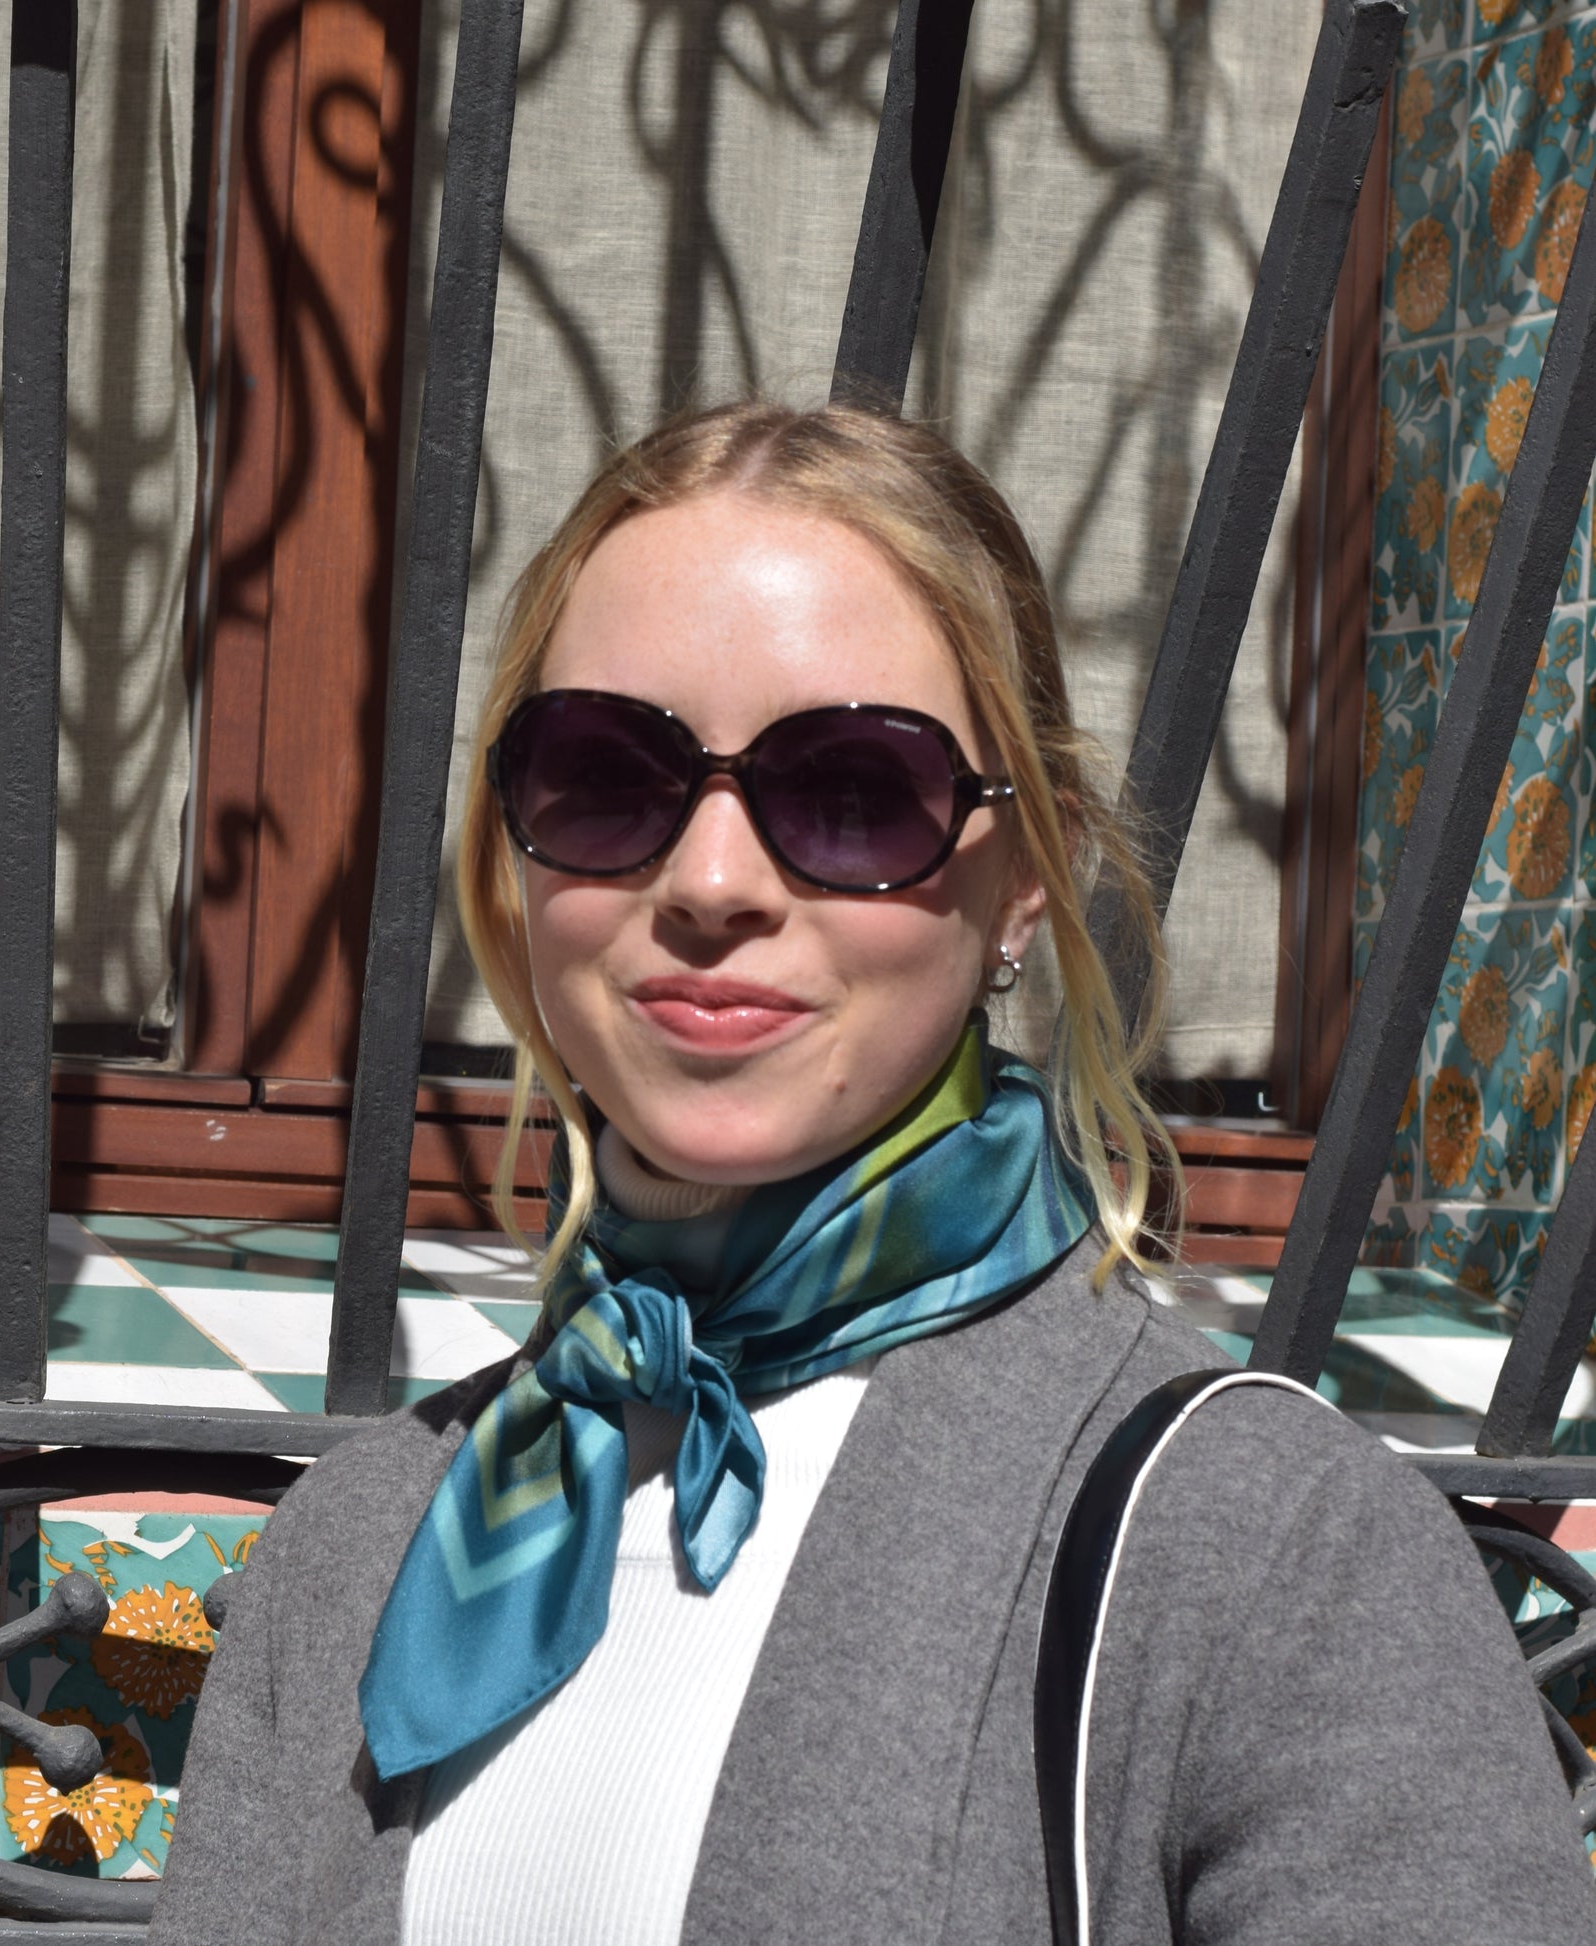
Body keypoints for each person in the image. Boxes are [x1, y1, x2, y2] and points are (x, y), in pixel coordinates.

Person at [152, 403, 1595, 1944]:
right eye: (605, 776)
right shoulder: (362, 1540)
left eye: (849, 792)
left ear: (1025, 872)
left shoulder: (1266, 1545)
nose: (710, 882)